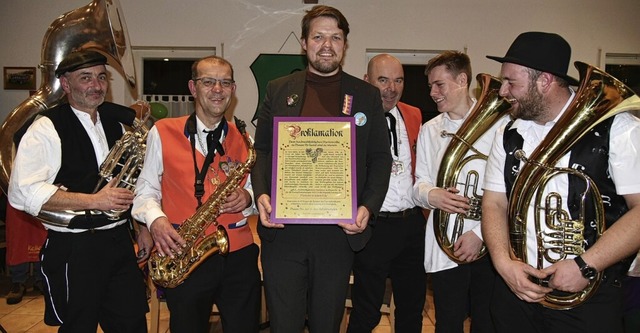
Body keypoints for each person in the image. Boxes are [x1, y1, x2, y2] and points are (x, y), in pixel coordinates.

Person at [482, 31, 640, 333]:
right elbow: (494, 202)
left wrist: (585, 264)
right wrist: (504, 264)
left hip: (589, 295)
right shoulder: (508, 131)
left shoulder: (618, 129)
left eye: (511, 82)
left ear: (544, 81)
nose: (502, 91)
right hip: (516, 289)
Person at [251, 5, 392, 332]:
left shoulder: (367, 95)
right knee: (283, 324)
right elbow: (262, 150)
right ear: (304, 43)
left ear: (345, 44)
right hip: (283, 234)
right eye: (318, 37)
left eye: (335, 37)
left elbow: (380, 158)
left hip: (338, 235)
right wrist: (261, 194)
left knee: (327, 324)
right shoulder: (278, 89)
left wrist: (368, 206)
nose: (326, 45)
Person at [7, 50, 149, 332]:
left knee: (132, 324)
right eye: (86, 78)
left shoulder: (115, 123)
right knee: (78, 326)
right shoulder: (46, 127)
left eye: (101, 77)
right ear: (66, 84)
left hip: (120, 241)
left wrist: (141, 226)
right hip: (75, 248)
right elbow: (22, 192)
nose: (96, 86)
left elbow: (128, 183)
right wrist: (95, 200)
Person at [132, 55, 261, 333]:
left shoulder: (244, 138)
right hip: (184, 252)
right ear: (193, 87)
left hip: (238, 255)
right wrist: (156, 221)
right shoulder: (162, 131)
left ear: (233, 90)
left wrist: (248, 198)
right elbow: (145, 191)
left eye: (225, 83)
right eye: (209, 82)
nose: (218, 89)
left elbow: (256, 189)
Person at [413, 50, 503, 333]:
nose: (432, 93)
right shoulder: (430, 129)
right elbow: (418, 184)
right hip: (446, 244)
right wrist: (432, 195)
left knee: (486, 322)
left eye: (439, 84)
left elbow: (509, 191)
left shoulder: (499, 125)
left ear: (462, 80)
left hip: (489, 244)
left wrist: (479, 234)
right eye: (430, 86)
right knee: (447, 323)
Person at [346, 54, 427, 333]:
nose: (391, 88)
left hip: (412, 224)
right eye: (383, 80)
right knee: (366, 310)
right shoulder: (348, 118)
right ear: (367, 81)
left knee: (412, 308)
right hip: (374, 225)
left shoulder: (414, 114)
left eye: (398, 80)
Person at [4, 203, 47, 305]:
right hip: (16, 198)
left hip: (40, 197)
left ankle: (41, 279)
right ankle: (18, 281)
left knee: (41, 237)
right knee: (18, 240)